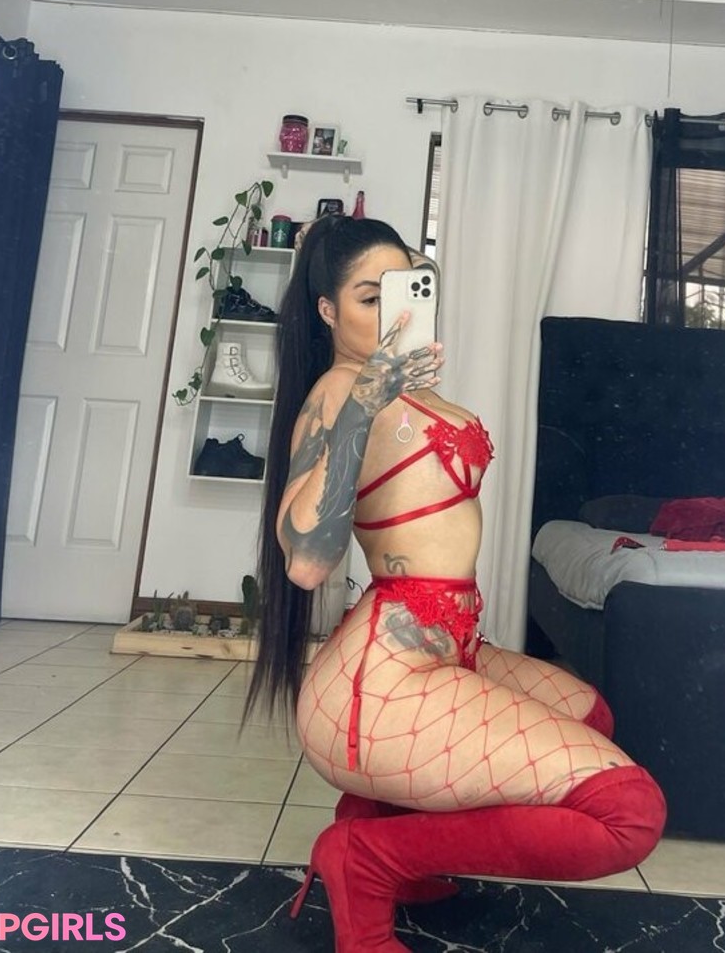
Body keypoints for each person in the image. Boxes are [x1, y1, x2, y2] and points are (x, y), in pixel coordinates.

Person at [242, 216, 665, 951]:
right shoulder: (338, 393)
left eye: (404, 287)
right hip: (382, 681)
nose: (390, 310)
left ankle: (375, 820)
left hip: (449, 642)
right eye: (369, 297)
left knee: (589, 715)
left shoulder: (405, 379)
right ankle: (369, 859)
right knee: (628, 812)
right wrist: (366, 401)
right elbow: (306, 560)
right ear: (327, 311)